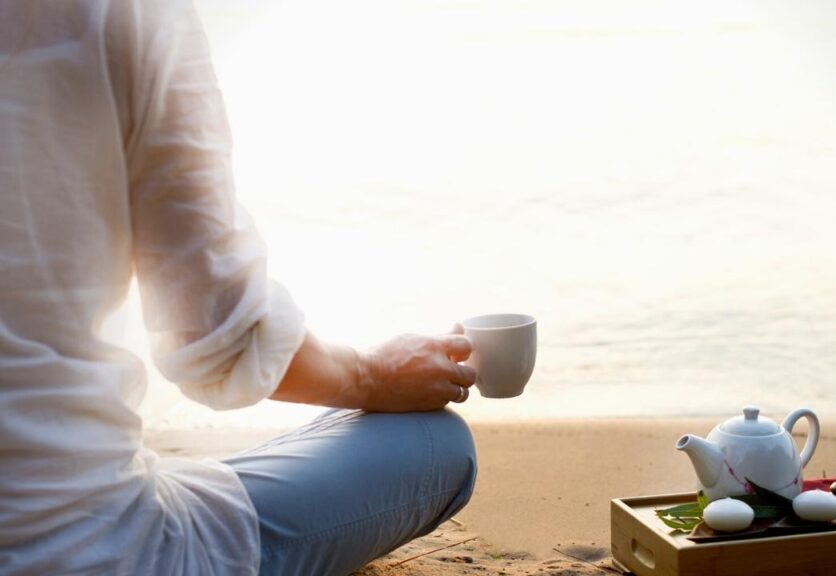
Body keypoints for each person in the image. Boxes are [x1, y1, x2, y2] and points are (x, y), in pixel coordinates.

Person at [0, 1, 478, 574]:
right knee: (436, 446)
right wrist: (369, 374)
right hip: (80, 549)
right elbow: (221, 338)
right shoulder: (125, 14)